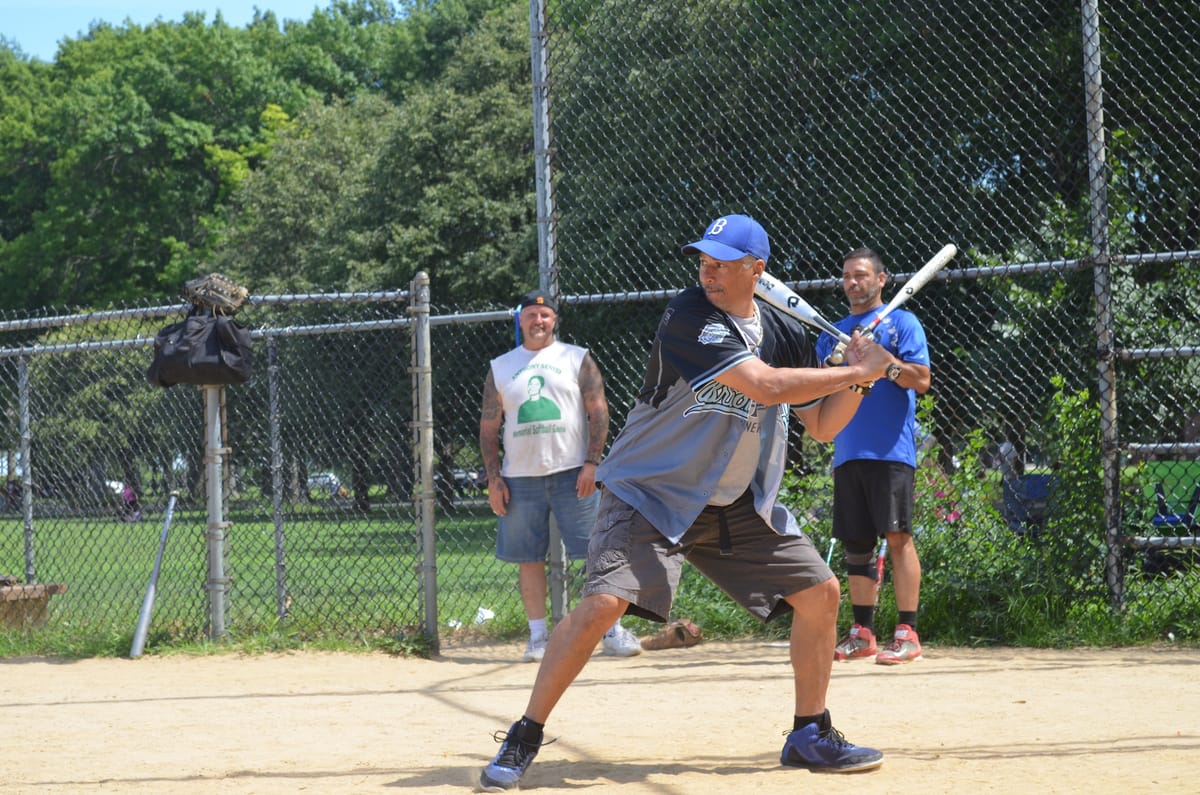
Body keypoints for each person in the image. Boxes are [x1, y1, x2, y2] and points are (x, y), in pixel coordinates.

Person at [479, 215, 898, 791]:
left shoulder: (784, 330)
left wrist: (857, 381)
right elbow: (765, 387)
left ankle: (809, 732)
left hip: (734, 503)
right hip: (649, 491)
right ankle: (524, 734)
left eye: (722, 262)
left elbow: (824, 427)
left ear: (758, 270)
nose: (707, 270)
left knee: (821, 594)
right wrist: (855, 367)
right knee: (604, 604)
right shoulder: (690, 314)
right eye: (703, 259)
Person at [480, 289, 641, 664]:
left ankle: (611, 631)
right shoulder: (501, 366)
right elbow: (489, 427)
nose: (539, 321)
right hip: (519, 477)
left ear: (554, 320)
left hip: (574, 474)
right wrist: (494, 479)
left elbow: (597, 410)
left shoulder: (576, 358)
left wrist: (592, 463)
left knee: (600, 553)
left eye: (545, 315)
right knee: (528, 558)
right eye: (531, 315)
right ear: (521, 320)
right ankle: (538, 637)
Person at [816, 247, 932, 665]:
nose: (852, 282)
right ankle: (861, 631)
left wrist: (887, 366)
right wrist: (838, 365)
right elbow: (821, 391)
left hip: (891, 450)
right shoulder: (832, 333)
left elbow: (921, 380)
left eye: (861, 275)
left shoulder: (902, 323)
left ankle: (907, 631)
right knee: (856, 544)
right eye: (846, 275)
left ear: (881, 279)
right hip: (848, 449)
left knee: (898, 538)